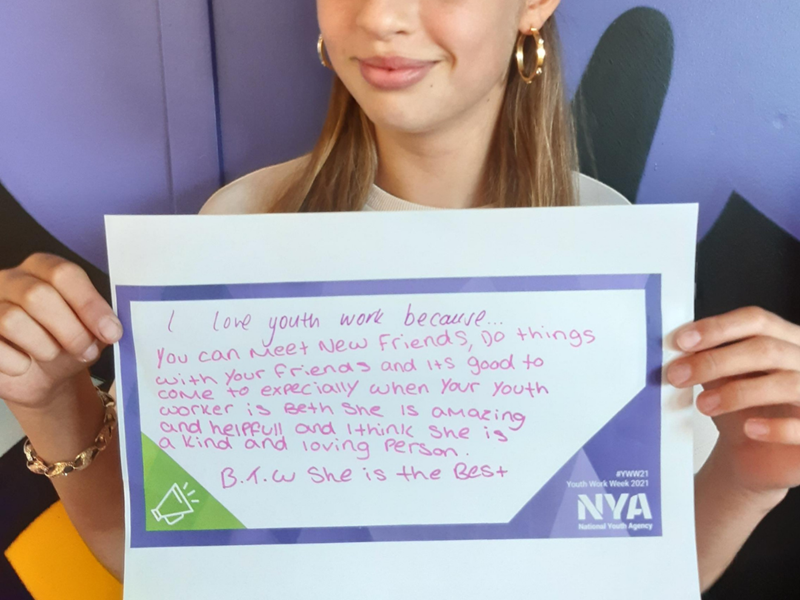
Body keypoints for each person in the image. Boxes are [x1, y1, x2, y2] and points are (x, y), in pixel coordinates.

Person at [0, 0, 798, 592]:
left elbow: (634, 575)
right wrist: (48, 396)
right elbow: (165, 556)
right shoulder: (240, 228)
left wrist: (750, 474)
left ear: (534, 5)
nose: (381, 17)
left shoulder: (612, 244)